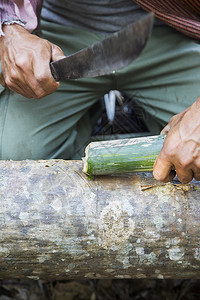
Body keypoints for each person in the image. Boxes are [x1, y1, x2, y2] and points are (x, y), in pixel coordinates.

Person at [1, 0, 200, 184]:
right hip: (58, 41)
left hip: (174, 31)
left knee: (191, 156)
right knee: (16, 158)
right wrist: (9, 29)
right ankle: (87, 113)